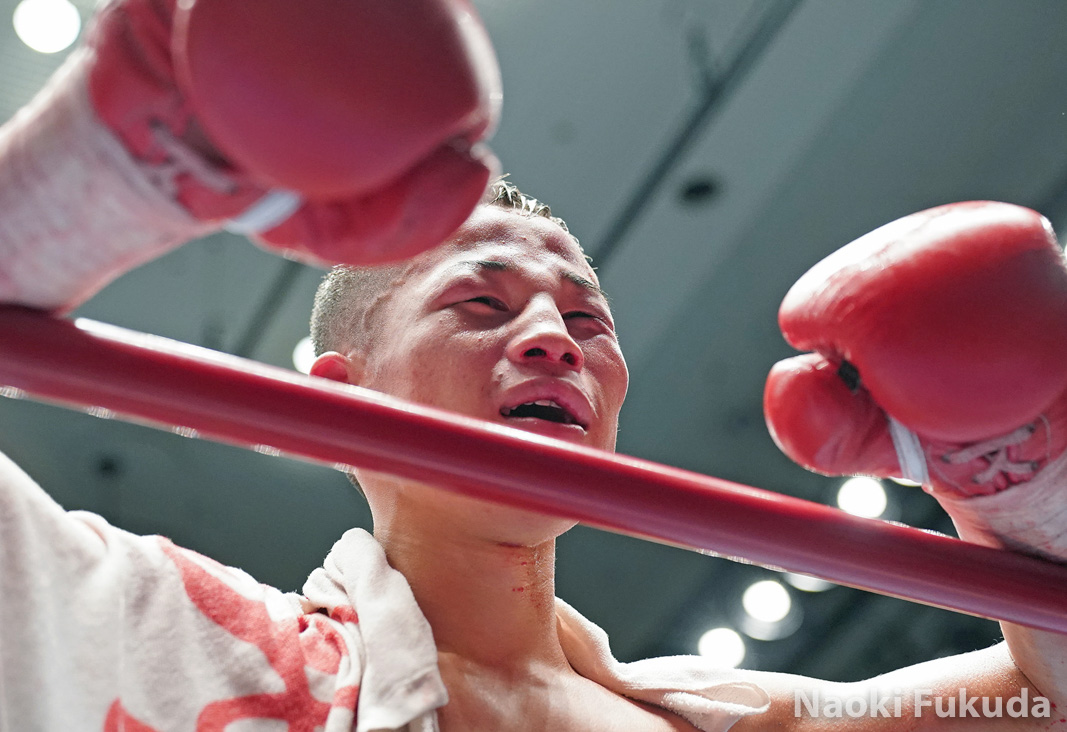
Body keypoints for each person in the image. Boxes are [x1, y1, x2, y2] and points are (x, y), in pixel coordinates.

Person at [0, 1, 1065, 730]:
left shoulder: (719, 720)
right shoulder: (199, 650)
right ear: (339, 398)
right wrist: (91, 183)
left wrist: (1018, 488)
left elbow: (1039, 701)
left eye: (590, 326)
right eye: (480, 302)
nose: (554, 339)